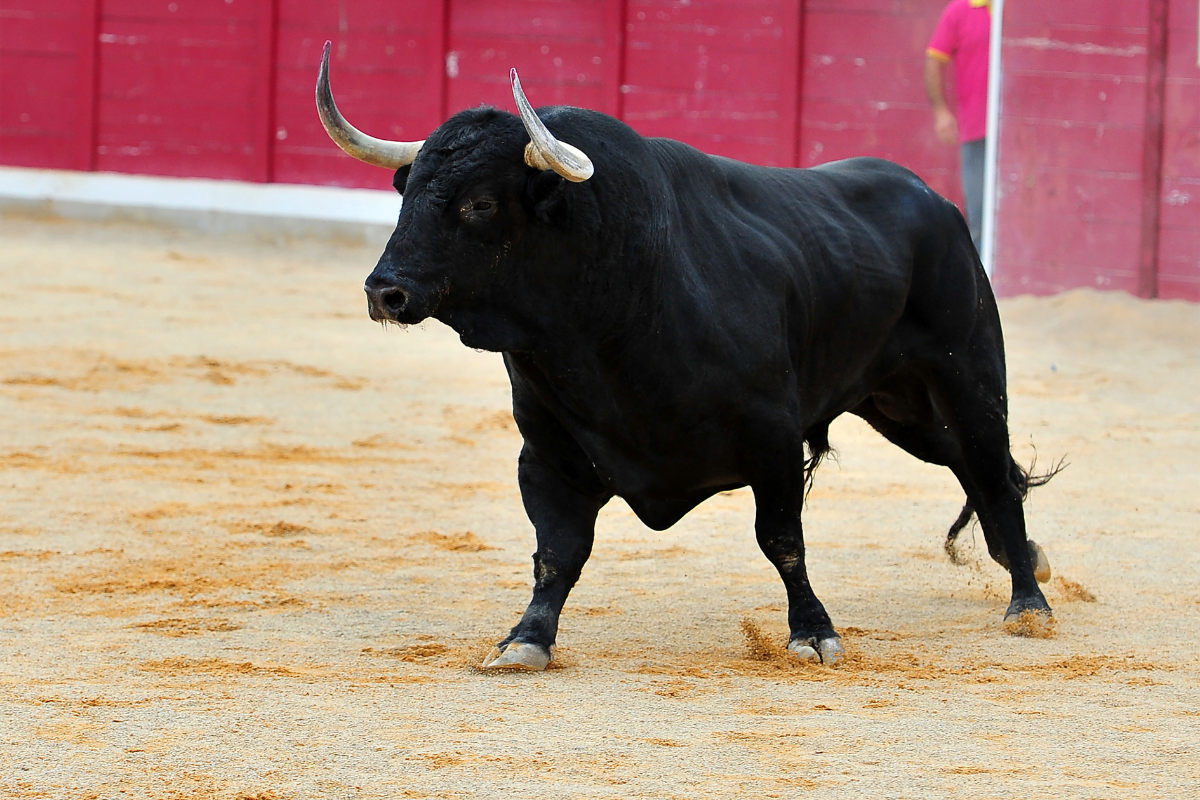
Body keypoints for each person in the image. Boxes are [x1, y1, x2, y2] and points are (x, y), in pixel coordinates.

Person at [925, 0, 991, 253]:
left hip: (1019, 134)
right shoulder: (960, 11)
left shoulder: (1018, 9)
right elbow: (933, 61)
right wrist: (941, 111)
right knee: (979, 213)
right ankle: (983, 282)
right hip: (977, 130)